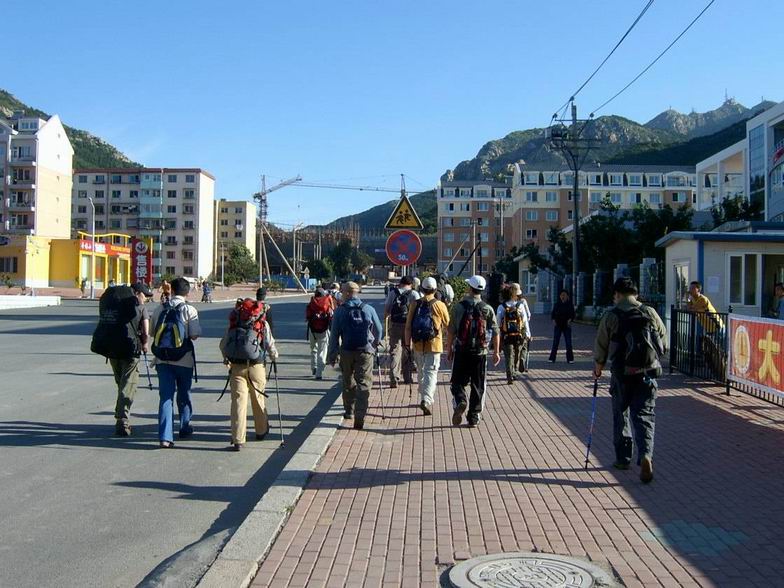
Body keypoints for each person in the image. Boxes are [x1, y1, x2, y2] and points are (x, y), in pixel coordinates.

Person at [593, 277, 668, 484]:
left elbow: (601, 344)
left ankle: (623, 459)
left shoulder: (611, 315)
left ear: (617, 294)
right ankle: (645, 455)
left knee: (621, 414)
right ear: (636, 293)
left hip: (621, 373)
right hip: (647, 372)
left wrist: (598, 368)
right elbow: (663, 341)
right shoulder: (649, 312)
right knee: (645, 415)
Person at [91, 282, 152, 436]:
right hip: (131, 350)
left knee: (121, 383)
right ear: (136, 293)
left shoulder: (113, 303)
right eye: (145, 295)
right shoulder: (140, 308)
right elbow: (146, 331)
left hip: (111, 348)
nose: (146, 299)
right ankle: (122, 419)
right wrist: (145, 345)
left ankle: (121, 412)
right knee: (128, 384)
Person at [220, 298, 278, 451]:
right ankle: (261, 431)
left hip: (236, 367)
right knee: (258, 398)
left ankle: (238, 439)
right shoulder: (261, 323)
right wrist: (274, 356)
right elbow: (269, 343)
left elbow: (223, 344)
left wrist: (226, 359)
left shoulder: (234, 322)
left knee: (238, 402)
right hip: (256, 366)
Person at [151, 277, 201, 448]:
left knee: (166, 397)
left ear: (171, 290)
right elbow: (194, 335)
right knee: (184, 393)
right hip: (183, 359)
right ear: (187, 292)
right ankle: (185, 427)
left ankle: (165, 437)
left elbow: (153, 333)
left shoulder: (160, 309)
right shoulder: (189, 310)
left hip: (162, 359)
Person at [327, 281, 383, 430]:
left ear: (346, 293)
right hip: (365, 351)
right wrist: (375, 344)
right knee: (364, 383)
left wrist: (332, 355)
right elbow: (379, 329)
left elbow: (334, 335)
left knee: (348, 381)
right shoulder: (368, 308)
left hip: (346, 350)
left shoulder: (340, 311)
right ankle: (360, 414)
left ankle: (349, 411)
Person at [446, 275, 500, 428]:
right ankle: (474, 416)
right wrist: (496, 351)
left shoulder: (459, 307)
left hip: (461, 350)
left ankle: (460, 400)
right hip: (480, 353)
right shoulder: (487, 308)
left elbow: (451, 330)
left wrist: (449, 349)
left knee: (457, 382)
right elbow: (495, 332)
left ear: (470, 288)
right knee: (478, 385)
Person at [404, 277, 449, 415]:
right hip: (434, 344)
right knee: (431, 372)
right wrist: (449, 342)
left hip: (417, 343)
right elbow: (448, 324)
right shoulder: (440, 305)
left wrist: (407, 345)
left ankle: (424, 394)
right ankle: (426, 399)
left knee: (421, 372)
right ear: (435, 290)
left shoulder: (414, 304)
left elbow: (408, 327)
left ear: (422, 289)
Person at [384, 276, 421, 388]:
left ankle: (394, 377)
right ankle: (407, 378)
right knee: (407, 350)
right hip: (409, 326)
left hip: (395, 325)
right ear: (411, 284)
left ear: (400, 283)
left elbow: (387, 309)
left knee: (395, 351)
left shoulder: (393, 293)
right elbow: (418, 311)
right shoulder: (414, 294)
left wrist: (386, 322)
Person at [496, 283, 531, 384]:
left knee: (508, 355)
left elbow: (498, 321)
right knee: (517, 353)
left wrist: (498, 334)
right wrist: (528, 333)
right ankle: (515, 369)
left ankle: (509, 375)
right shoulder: (520, 306)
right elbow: (525, 321)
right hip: (519, 334)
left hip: (507, 335)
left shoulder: (501, 307)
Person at [306, 288, 334, 379]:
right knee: (322, 351)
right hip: (324, 330)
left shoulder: (311, 303)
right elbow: (332, 315)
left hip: (312, 329)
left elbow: (307, 316)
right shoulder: (327, 303)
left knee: (313, 349)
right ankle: (319, 373)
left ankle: (313, 367)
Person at [549, 289, 575, 363]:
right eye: (561, 295)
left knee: (568, 343)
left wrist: (570, 320)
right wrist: (554, 320)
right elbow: (553, 314)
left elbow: (573, 314)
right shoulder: (557, 304)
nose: (563, 297)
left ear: (567, 296)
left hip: (567, 326)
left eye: (564, 295)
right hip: (558, 325)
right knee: (555, 342)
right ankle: (552, 358)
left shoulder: (570, 305)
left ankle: (570, 359)